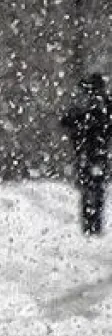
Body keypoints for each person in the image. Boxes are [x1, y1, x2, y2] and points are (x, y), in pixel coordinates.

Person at [61, 73, 112, 235]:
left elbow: (68, 122)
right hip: (95, 152)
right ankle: (92, 223)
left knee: (92, 188)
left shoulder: (93, 106)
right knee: (94, 188)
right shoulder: (99, 105)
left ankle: (91, 224)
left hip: (91, 152)